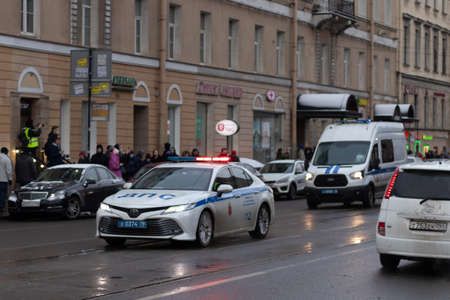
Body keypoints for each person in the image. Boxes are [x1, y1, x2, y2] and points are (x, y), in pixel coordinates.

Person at [0, 147, 12, 216]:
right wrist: (10, 179)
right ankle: (1, 207)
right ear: (7, 152)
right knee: (2, 194)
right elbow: (8, 171)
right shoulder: (7, 159)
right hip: (3, 179)